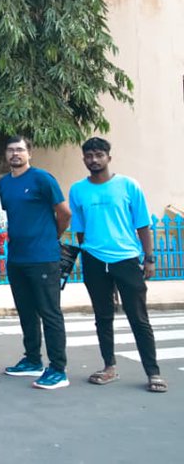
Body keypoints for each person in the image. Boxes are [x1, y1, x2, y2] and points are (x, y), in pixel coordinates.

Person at [69, 137, 166, 393]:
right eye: (89, 156)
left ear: (109, 158)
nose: (94, 160)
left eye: (99, 155)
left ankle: (153, 372)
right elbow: (79, 230)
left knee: (138, 317)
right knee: (102, 316)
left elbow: (142, 224)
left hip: (125, 259)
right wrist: (88, 254)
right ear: (84, 159)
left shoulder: (128, 185)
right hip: (94, 260)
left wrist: (149, 258)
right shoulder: (78, 190)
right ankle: (109, 366)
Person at [0, 135, 71, 389]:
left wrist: (52, 237)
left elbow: (64, 213)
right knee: (26, 312)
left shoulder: (42, 179)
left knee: (49, 313)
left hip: (43, 257)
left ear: (30, 153)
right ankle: (32, 360)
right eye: (10, 150)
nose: (15, 154)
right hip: (17, 257)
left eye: (20, 149)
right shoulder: (4, 184)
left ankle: (58, 369)